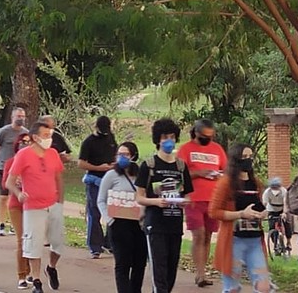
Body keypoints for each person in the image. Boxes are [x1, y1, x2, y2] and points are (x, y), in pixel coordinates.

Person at [135, 118, 194, 293]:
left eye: (172, 137)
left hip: (175, 225)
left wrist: (185, 202)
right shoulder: (149, 166)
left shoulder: (181, 167)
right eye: (164, 137)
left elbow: (187, 194)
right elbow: (139, 197)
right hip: (155, 225)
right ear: (157, 140)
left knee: (170, 273)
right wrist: (156, 202)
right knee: (158, 273)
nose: (168, 141)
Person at [7, 121, 65, 293]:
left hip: (53, 204)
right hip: (33, 207)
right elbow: (10, 182)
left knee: (58, 243)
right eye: (45, 135)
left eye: (50, 135)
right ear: (35, 137)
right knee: (34, 244)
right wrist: (19, 194)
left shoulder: (53, 153)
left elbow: (58, 178)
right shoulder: (23, 155)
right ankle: (37, 281)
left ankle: (52, 267)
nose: (49, 139)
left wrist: (60, 201)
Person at [208, 143, 270, 293]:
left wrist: (263, 213)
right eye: (244, 157)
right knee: (232, 288)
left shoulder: (256, 183)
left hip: (254, 240)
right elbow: (214, 211)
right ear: (236, 160)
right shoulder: (226, 183)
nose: (248, 160)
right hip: (234, 240)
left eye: (250, 157)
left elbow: (262, 205)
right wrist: (241, 214)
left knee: (263, 286)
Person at [177, 118, 227, 287]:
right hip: (194, 198)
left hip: (213, 199)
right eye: (205, 136)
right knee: (198, 234)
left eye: (211, 136)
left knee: (207, 236)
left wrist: (220, 176)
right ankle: (199, 274)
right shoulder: (186, 149)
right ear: (197, 133)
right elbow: (179, 173)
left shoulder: (217, 149)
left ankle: (203, 271)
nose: (208, 139)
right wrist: (199, 173)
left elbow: (225, 170)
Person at [97, 141, 146, 293]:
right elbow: (101, 200)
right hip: (118, 225)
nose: (122, 158)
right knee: (122, 264)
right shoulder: (111, 175)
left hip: (139, 225)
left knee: (139, 263)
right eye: (119, 154)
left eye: (125, 154)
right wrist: (109, 219)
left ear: (133, 156)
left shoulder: (141, 175)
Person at [78, 115, 118, 259]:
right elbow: (81, 163)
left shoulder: (111, 138)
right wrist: (99, 168)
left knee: (112, 212)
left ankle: (110, 243)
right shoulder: (89, 142)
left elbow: (115, 155)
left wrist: (115, 164)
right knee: (94, 213)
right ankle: (95, 246)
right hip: (94, 179)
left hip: (111, 180)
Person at [4, 132, 35, 290]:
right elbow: (5, 183)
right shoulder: (11, 162)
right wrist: (16, 186)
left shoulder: (34, 162)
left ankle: (31, 271)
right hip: (16, 205)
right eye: (23, 142)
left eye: (28, 142)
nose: (26, 144)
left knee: (32, 239)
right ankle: (21, 275)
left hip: (32, 205)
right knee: (21, 239)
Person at [0, 107, 28, 236]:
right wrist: (2, 159)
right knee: (3, 197)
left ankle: (15, 225)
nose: (21, 118)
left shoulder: (26, 133)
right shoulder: (4, 131)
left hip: (20, 169)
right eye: (19, 116)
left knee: (17, 196)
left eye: (23, 116)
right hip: (5, 166)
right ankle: (2, 224)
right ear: (12, 117)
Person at [262, 177, 293, 248]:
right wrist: (263, 213)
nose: (275, 189)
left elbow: (285, 203)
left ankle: (288, 242)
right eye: (273, 187)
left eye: (277, 187)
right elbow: (264, 203)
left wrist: (284, 213)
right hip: (271, 209)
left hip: (282, 209)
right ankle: (275, 244)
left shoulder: (284, 191)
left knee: (287, 223)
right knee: (271, 226)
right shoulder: (267, 192)